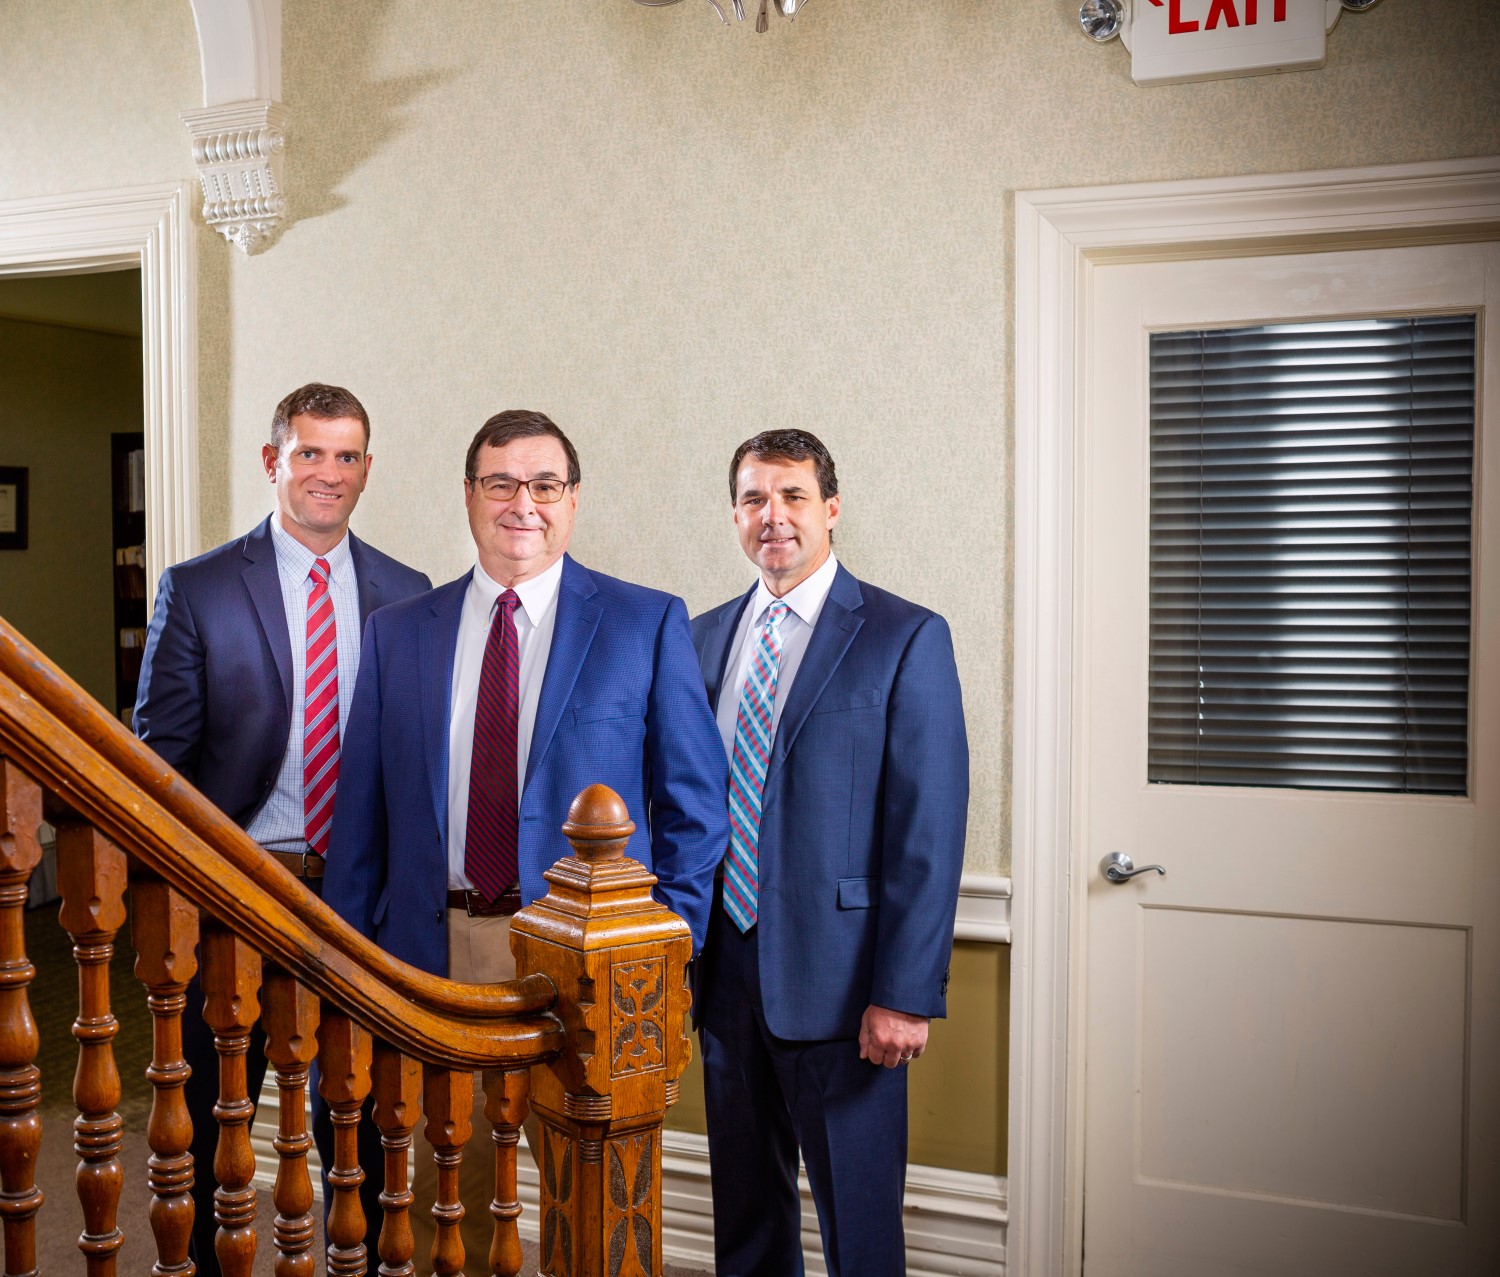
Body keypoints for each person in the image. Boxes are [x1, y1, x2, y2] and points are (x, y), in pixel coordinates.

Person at [325, 408, 728, 1263]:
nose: (523, 504)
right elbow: (360, 822)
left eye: (544, 484)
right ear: (469, 496)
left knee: (592, 1203)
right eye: (500, 482)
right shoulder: (398, 632)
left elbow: (696, 811)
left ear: (573, 500)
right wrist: (351, 971)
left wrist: (661, 952)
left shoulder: (644, 622)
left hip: (588, 963)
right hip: (436, 953)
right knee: (453, 1200)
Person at [133, 382, 431, 1274]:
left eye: (346, 457)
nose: (328, 474)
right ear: (274, 461)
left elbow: (409, 764)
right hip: (236, 895)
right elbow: (161, 765)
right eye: (309, 453)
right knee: (212, 1123)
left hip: (361, 899)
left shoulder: (406, 593)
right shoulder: (199, 588)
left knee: (374, 1121)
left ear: (366, 470)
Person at [690, 428, 969, 1276]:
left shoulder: (903, 634)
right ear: (735, 514)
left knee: (861, 1232)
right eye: (753, 499)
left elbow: (928, 829)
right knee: (745, 1220)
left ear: (832, 508)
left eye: (792, 496)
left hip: (849, 992)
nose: (772, 516)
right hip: (724, 973)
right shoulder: (700, 637)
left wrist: (904, 994)